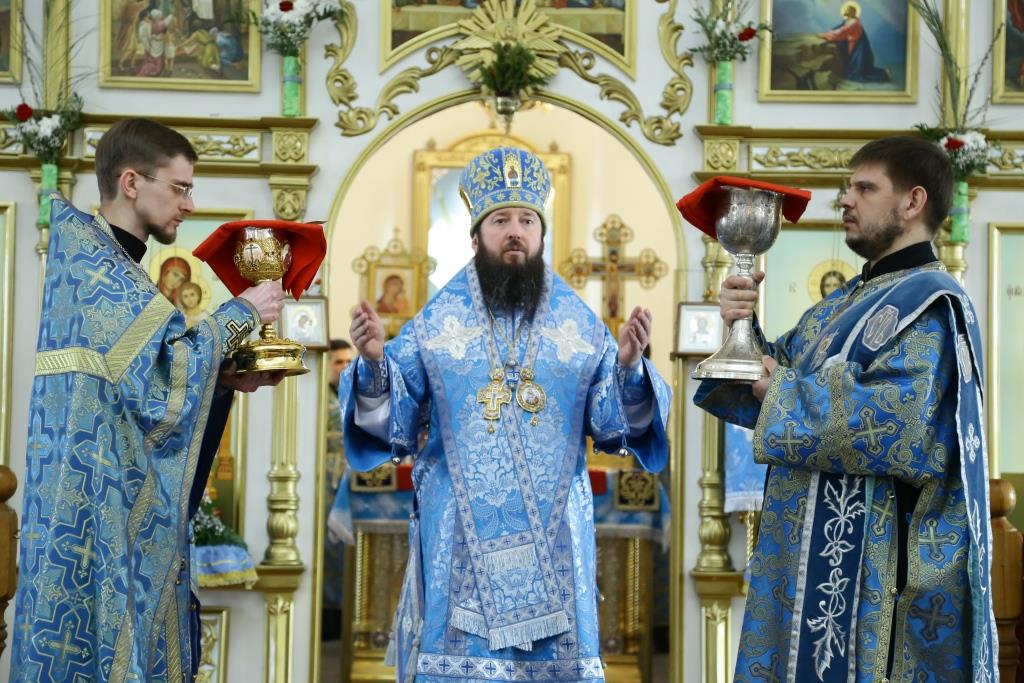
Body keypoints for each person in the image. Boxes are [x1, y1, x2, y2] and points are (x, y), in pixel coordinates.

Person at [341, 147, 671, 681]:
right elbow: (394, 423)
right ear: (475, 237)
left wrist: (630, 367)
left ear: (541, 235)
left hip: (555, 533)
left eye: (526, 220)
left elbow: (614, 425)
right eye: (500, 221)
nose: (515, 231)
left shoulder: (578, 324)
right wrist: (376, 362)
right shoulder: (437, 323)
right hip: (460, 532)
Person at [694, 136, 996, 681]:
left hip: (868, 575)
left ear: (913, 201)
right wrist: (740, 328)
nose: (846, 200)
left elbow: (901, 424)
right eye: (847, 187)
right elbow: (769, 376)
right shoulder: (840, 305)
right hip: (801, 560)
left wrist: (781, 391)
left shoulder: (930, 303)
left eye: (865, 188)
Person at [10, 117, 287, 682]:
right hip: (91, 512)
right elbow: (164, 379)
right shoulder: (98, 270)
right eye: (180, 187)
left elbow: (142, 391)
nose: (189, 204)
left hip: (100, 505)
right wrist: (242, 313)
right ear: (132, 182)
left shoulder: (108, 266)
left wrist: (221, 380)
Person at [323, 339, 355, 641]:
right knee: (328, 548)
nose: (345, 367)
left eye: (348, 362)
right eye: (338, 362)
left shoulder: (349, 394)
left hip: (346, 482)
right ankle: (328, 616)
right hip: (325, 483)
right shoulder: (321, 398)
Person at [817, 1, 891, 83]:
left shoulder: (854, 22)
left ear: (853, 12)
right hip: (852, 46)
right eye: (846, 10)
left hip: (858, 49)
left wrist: (825, 35)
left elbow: (841, 32)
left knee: (856, 72)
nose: (846, 12)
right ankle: (884, 73)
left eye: (848, 10)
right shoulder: (847, 21)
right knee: (854, 70)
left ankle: (884, 74)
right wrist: (827, 33)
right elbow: (837, 29)